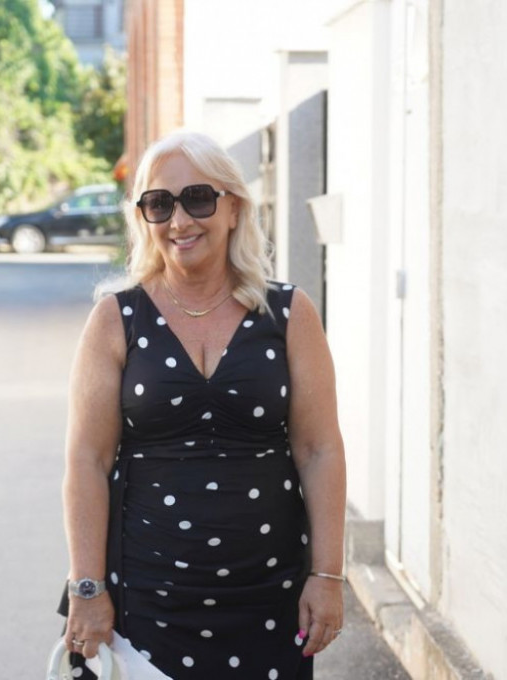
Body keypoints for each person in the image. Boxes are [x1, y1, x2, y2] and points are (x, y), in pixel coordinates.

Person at [58, 130, 346, 679]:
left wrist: (327, 575)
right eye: (159, 204)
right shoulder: (116, 320)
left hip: (270, 597)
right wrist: (86, 588)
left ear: (234, 208)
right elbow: (86, 462)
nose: (179, 220)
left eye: (198, 198)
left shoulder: (289, 314)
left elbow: (320, 450)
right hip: (146, 597)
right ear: (143, 217)